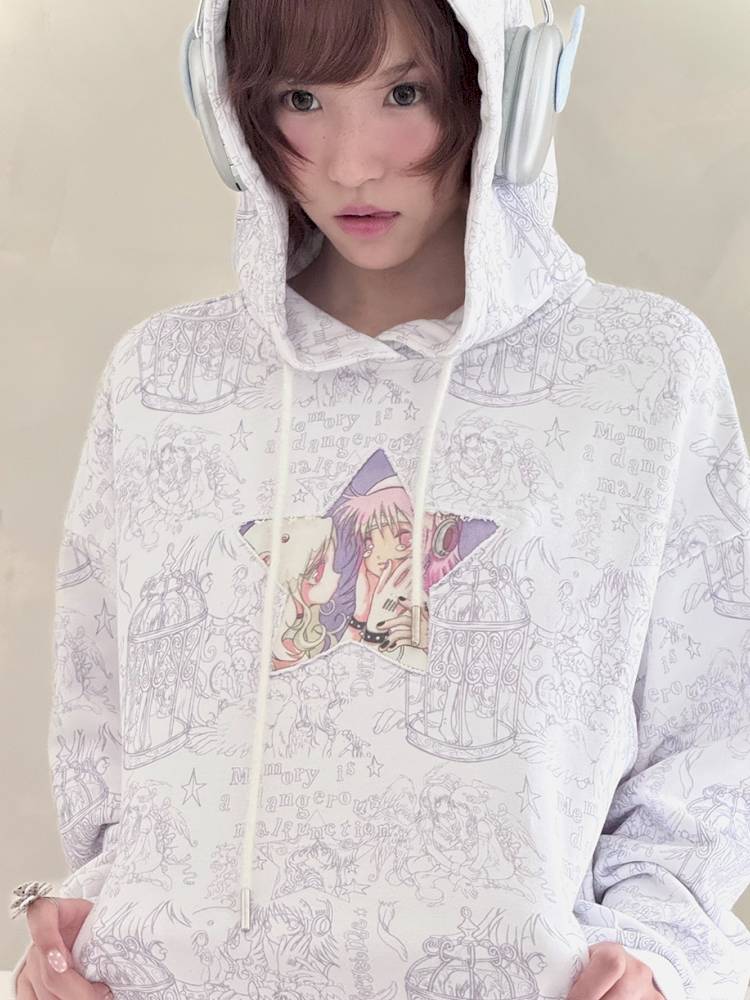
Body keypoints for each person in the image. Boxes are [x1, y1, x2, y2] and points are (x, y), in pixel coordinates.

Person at [10, 1, 750, 999]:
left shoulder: (641, 371)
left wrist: (657, 955)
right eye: (300, 98)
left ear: (507, 89)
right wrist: (74, 927)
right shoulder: (163, 379)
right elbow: (110, 730)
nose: (351, 164)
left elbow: (713, 734)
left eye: (405, 92)